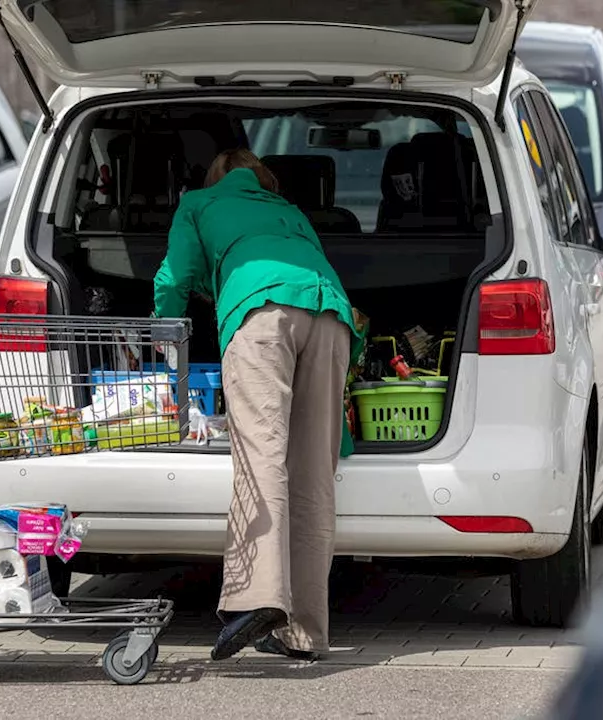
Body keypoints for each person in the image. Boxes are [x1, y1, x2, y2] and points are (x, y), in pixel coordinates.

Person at [152, 148, 364, 662]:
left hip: (263, 315)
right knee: (313, 475)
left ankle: (259, 598)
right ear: (262, 178)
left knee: (261, 456)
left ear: (212, 176)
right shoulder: (287, 211)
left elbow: (175, 278)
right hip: (333, 318)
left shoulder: (198, 203)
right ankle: (306, 633)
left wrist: (163, 336)